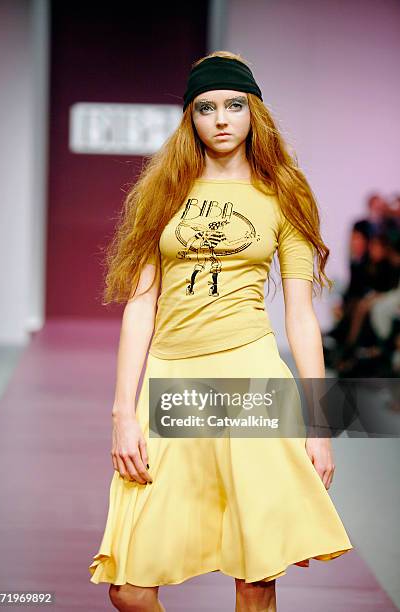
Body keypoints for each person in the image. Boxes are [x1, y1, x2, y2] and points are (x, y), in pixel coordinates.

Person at [88, 51, 354, 612]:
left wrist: (319, 422)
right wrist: (121, 413)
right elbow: (141, 303)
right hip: (171, 378)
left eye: (235, 105)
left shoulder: (284, 193)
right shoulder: (162, 192)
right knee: (130, 589)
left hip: (250, 375)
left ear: (255, 111)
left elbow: (301, 316)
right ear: (191, 118)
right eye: (206, 108)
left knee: (255, 575)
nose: (222, 119)